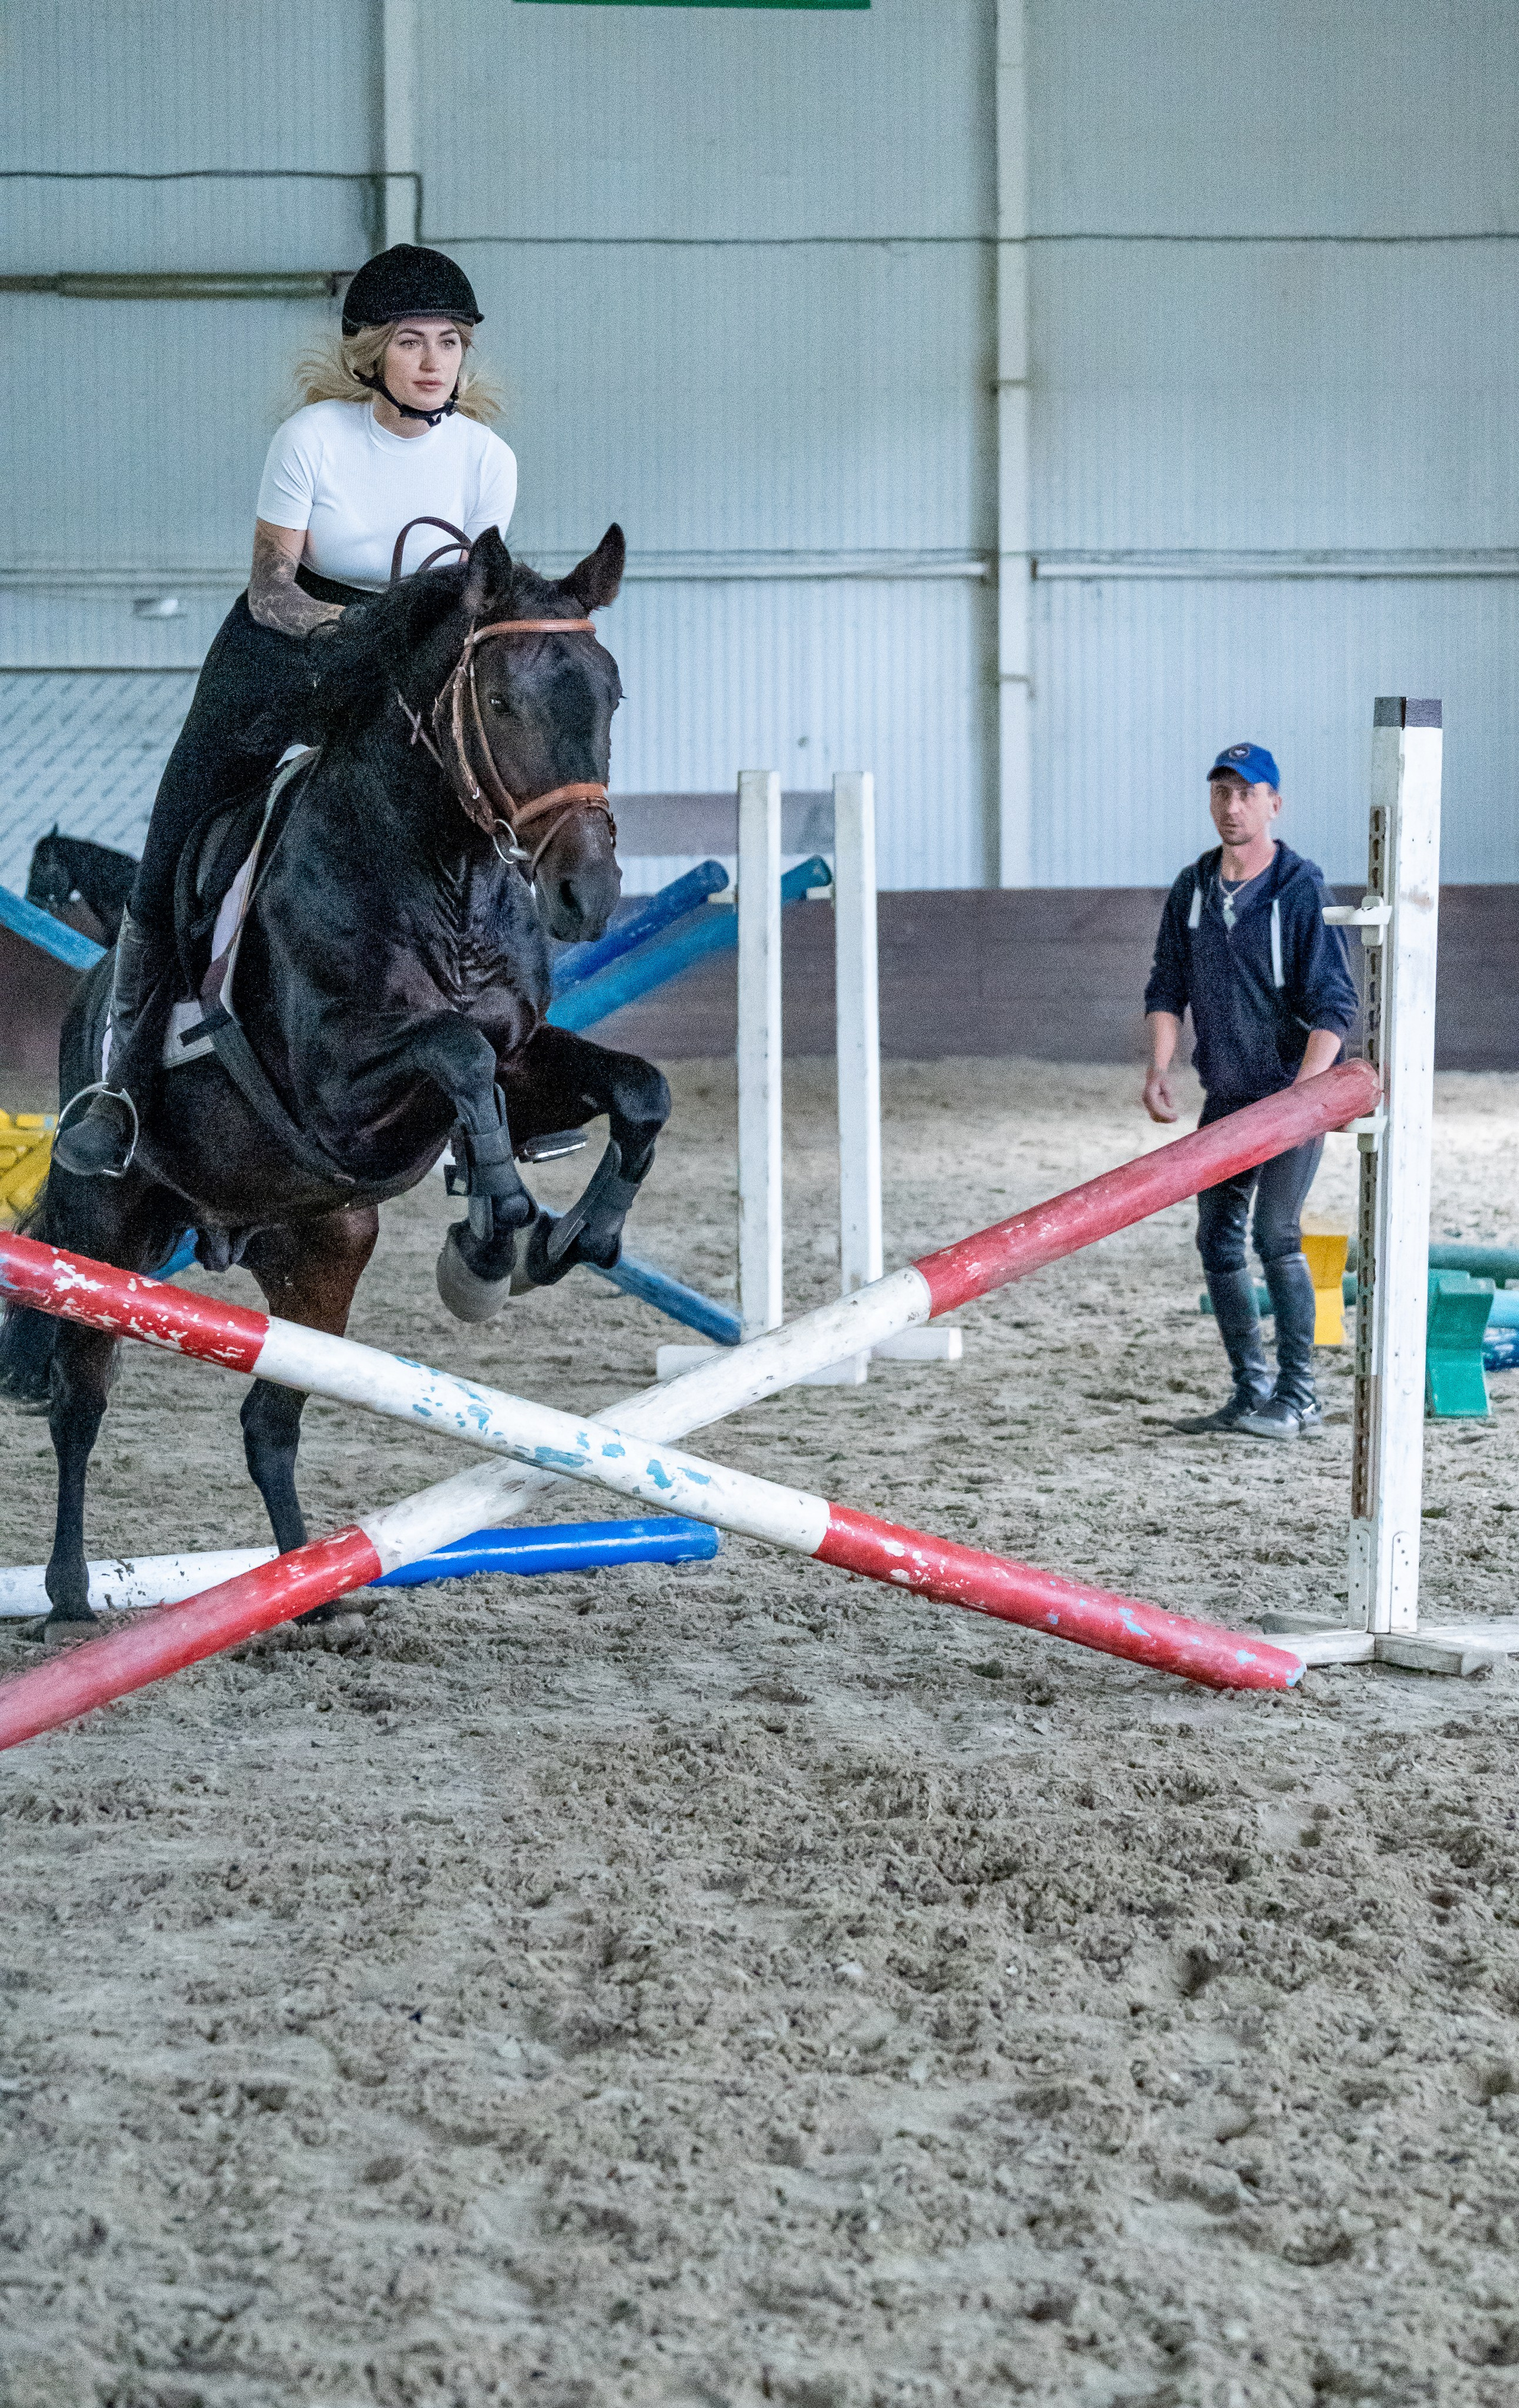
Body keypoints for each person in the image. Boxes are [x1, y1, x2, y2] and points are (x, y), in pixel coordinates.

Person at [56, 243, 519, 1178]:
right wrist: (382, 631)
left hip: (403, 682)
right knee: (171, 847)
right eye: (412, 342)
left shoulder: (487, 460)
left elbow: (477, 601)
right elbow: (274, 592)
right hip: (279, 662)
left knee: (496, 826)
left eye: (450, 343)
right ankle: (121, 1086)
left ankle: (506, 1088)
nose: (434, 361)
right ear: (370, 355)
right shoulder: (312, 439)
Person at [1142, 741, 1359, 1440]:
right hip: (1228, 1093)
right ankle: (1250, 1390)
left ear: (1274, 803)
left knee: (1276, 1232)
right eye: (1220, 793)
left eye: (1245, 793)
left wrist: (1303, 1098)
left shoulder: (1299, 884)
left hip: (1290, 1089)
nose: (1231, 807)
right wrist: (1160, 1066)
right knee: (1216, 1239)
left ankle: (1300, 1395)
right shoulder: (1194, 886)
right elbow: (1167, 983)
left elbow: (1334, 1002)